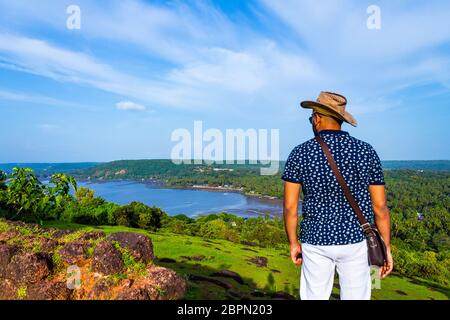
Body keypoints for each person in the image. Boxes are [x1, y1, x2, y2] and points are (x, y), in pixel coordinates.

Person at [282, 91, 393, 300]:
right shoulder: (366, 151)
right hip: (356, 241)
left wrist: (293, 243)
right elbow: (380, 207)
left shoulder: (300, 153)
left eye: (311, 118)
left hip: (315, 240)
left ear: (316, 118)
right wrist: (385, 247)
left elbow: (290, 207)